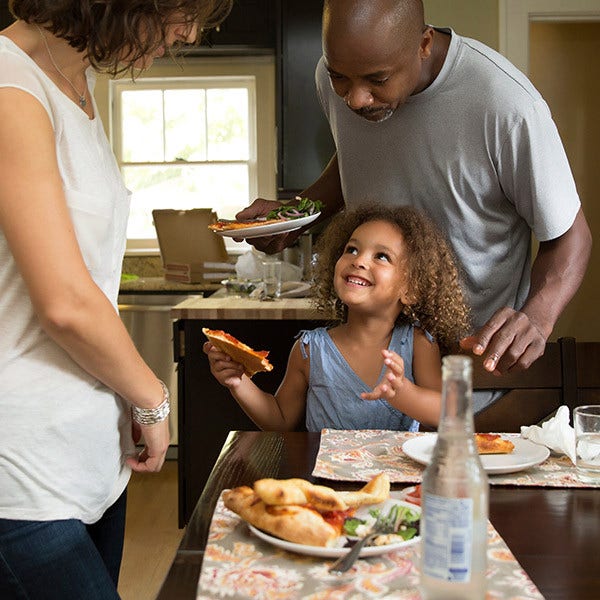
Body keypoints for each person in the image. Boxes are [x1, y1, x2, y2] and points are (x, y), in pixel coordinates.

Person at [235, 0, 592, 408]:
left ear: (423, 44)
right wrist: (296, 213)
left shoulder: (505, 106)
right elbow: (357, 155)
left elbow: (570, 236)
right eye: (340, 78)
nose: (355, 100)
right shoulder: (339, 78)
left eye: (377, 80)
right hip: (376, 369)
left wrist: (537, 316)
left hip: (471, 376)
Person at [0, 1, 231, 598]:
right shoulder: (9, 84)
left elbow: (89, 282)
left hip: (91, 455)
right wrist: (152, 396)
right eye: (182, 11)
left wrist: (125, 396)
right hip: (20, 467)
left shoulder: (79, 81)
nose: (189, 33)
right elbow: (66, 302)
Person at [205, 205, 470, 432]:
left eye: (381, 256)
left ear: (411, 288)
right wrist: (239, 382)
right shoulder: (310, 350)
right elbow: (280, 420)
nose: (359, 261)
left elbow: (448, 414)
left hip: (395, 488)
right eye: (352, 249)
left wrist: (404, 393)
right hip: (325, 488)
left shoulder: (419, 343)